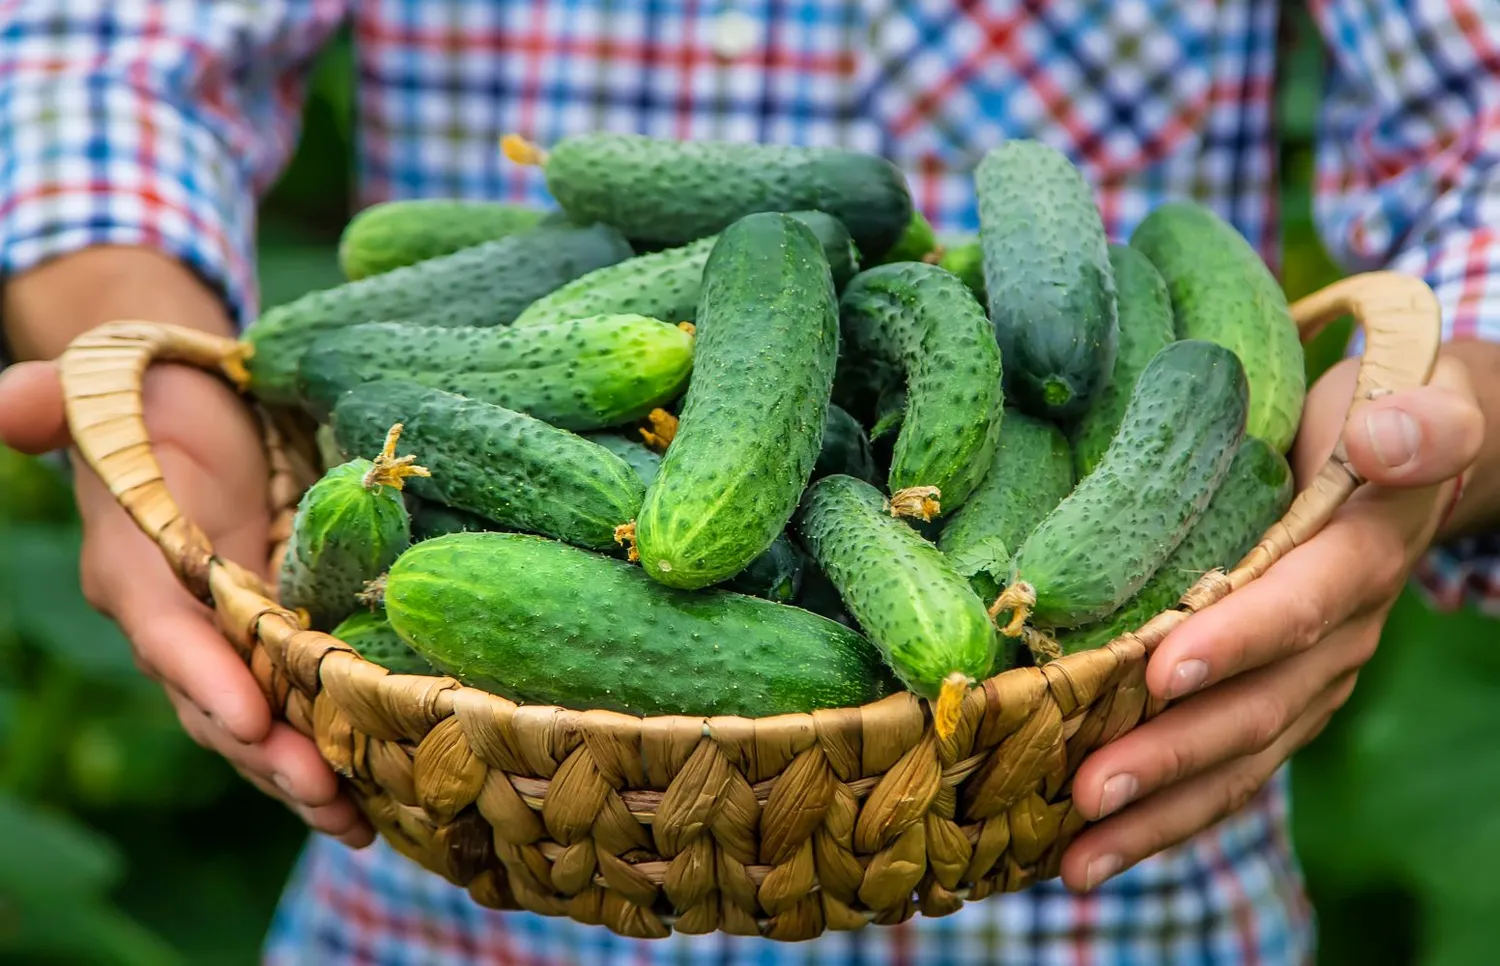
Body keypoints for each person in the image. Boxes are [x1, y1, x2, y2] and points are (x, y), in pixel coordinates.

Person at [0, 0, 1496, 962]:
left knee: (924, 426)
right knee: (599, 452)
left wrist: (1440, 418)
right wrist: (153, 370)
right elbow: (104, 47)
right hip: (462, 864)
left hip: (1112, 837)